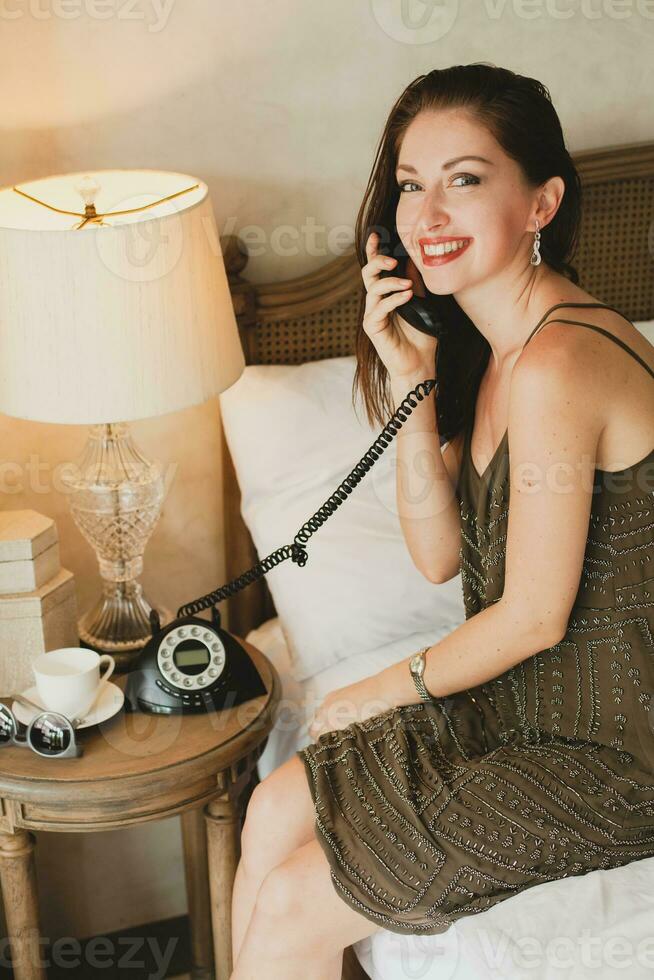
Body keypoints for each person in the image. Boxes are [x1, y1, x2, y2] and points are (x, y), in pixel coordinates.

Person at [228, 64, 654, 980]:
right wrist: (413, 379)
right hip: (529, 705)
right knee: (272, 810)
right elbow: (437, 557)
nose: (427, 216)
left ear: (542, 202)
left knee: (301, 900)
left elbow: (534, 617)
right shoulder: (501, 352)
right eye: (411, 185)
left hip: (619, 746)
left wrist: (369, 694)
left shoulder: (559, 363)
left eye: (465, 178)